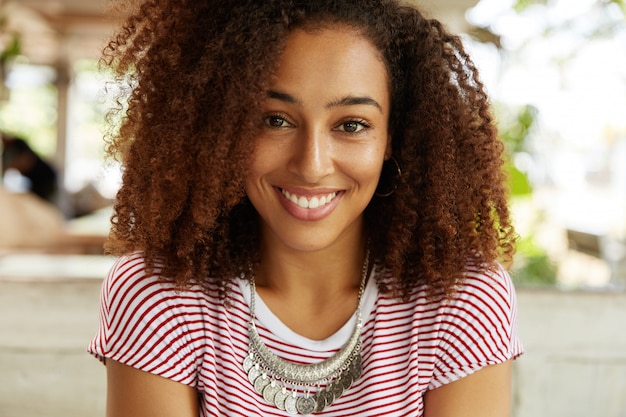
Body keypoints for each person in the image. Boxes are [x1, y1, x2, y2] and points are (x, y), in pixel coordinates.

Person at [88, 0, 523, 416]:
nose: (312, 165)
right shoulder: (159, 294)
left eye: (352, 125)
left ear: (392, 137)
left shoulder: (460, 299)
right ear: (224, 125)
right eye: (275, 119)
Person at [1, 133, 58, 203]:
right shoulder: (6, 150)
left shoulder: (18, 143)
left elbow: (27, 161)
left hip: (46, 178)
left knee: (43, 204)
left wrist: (11, 167)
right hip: (35, 182)